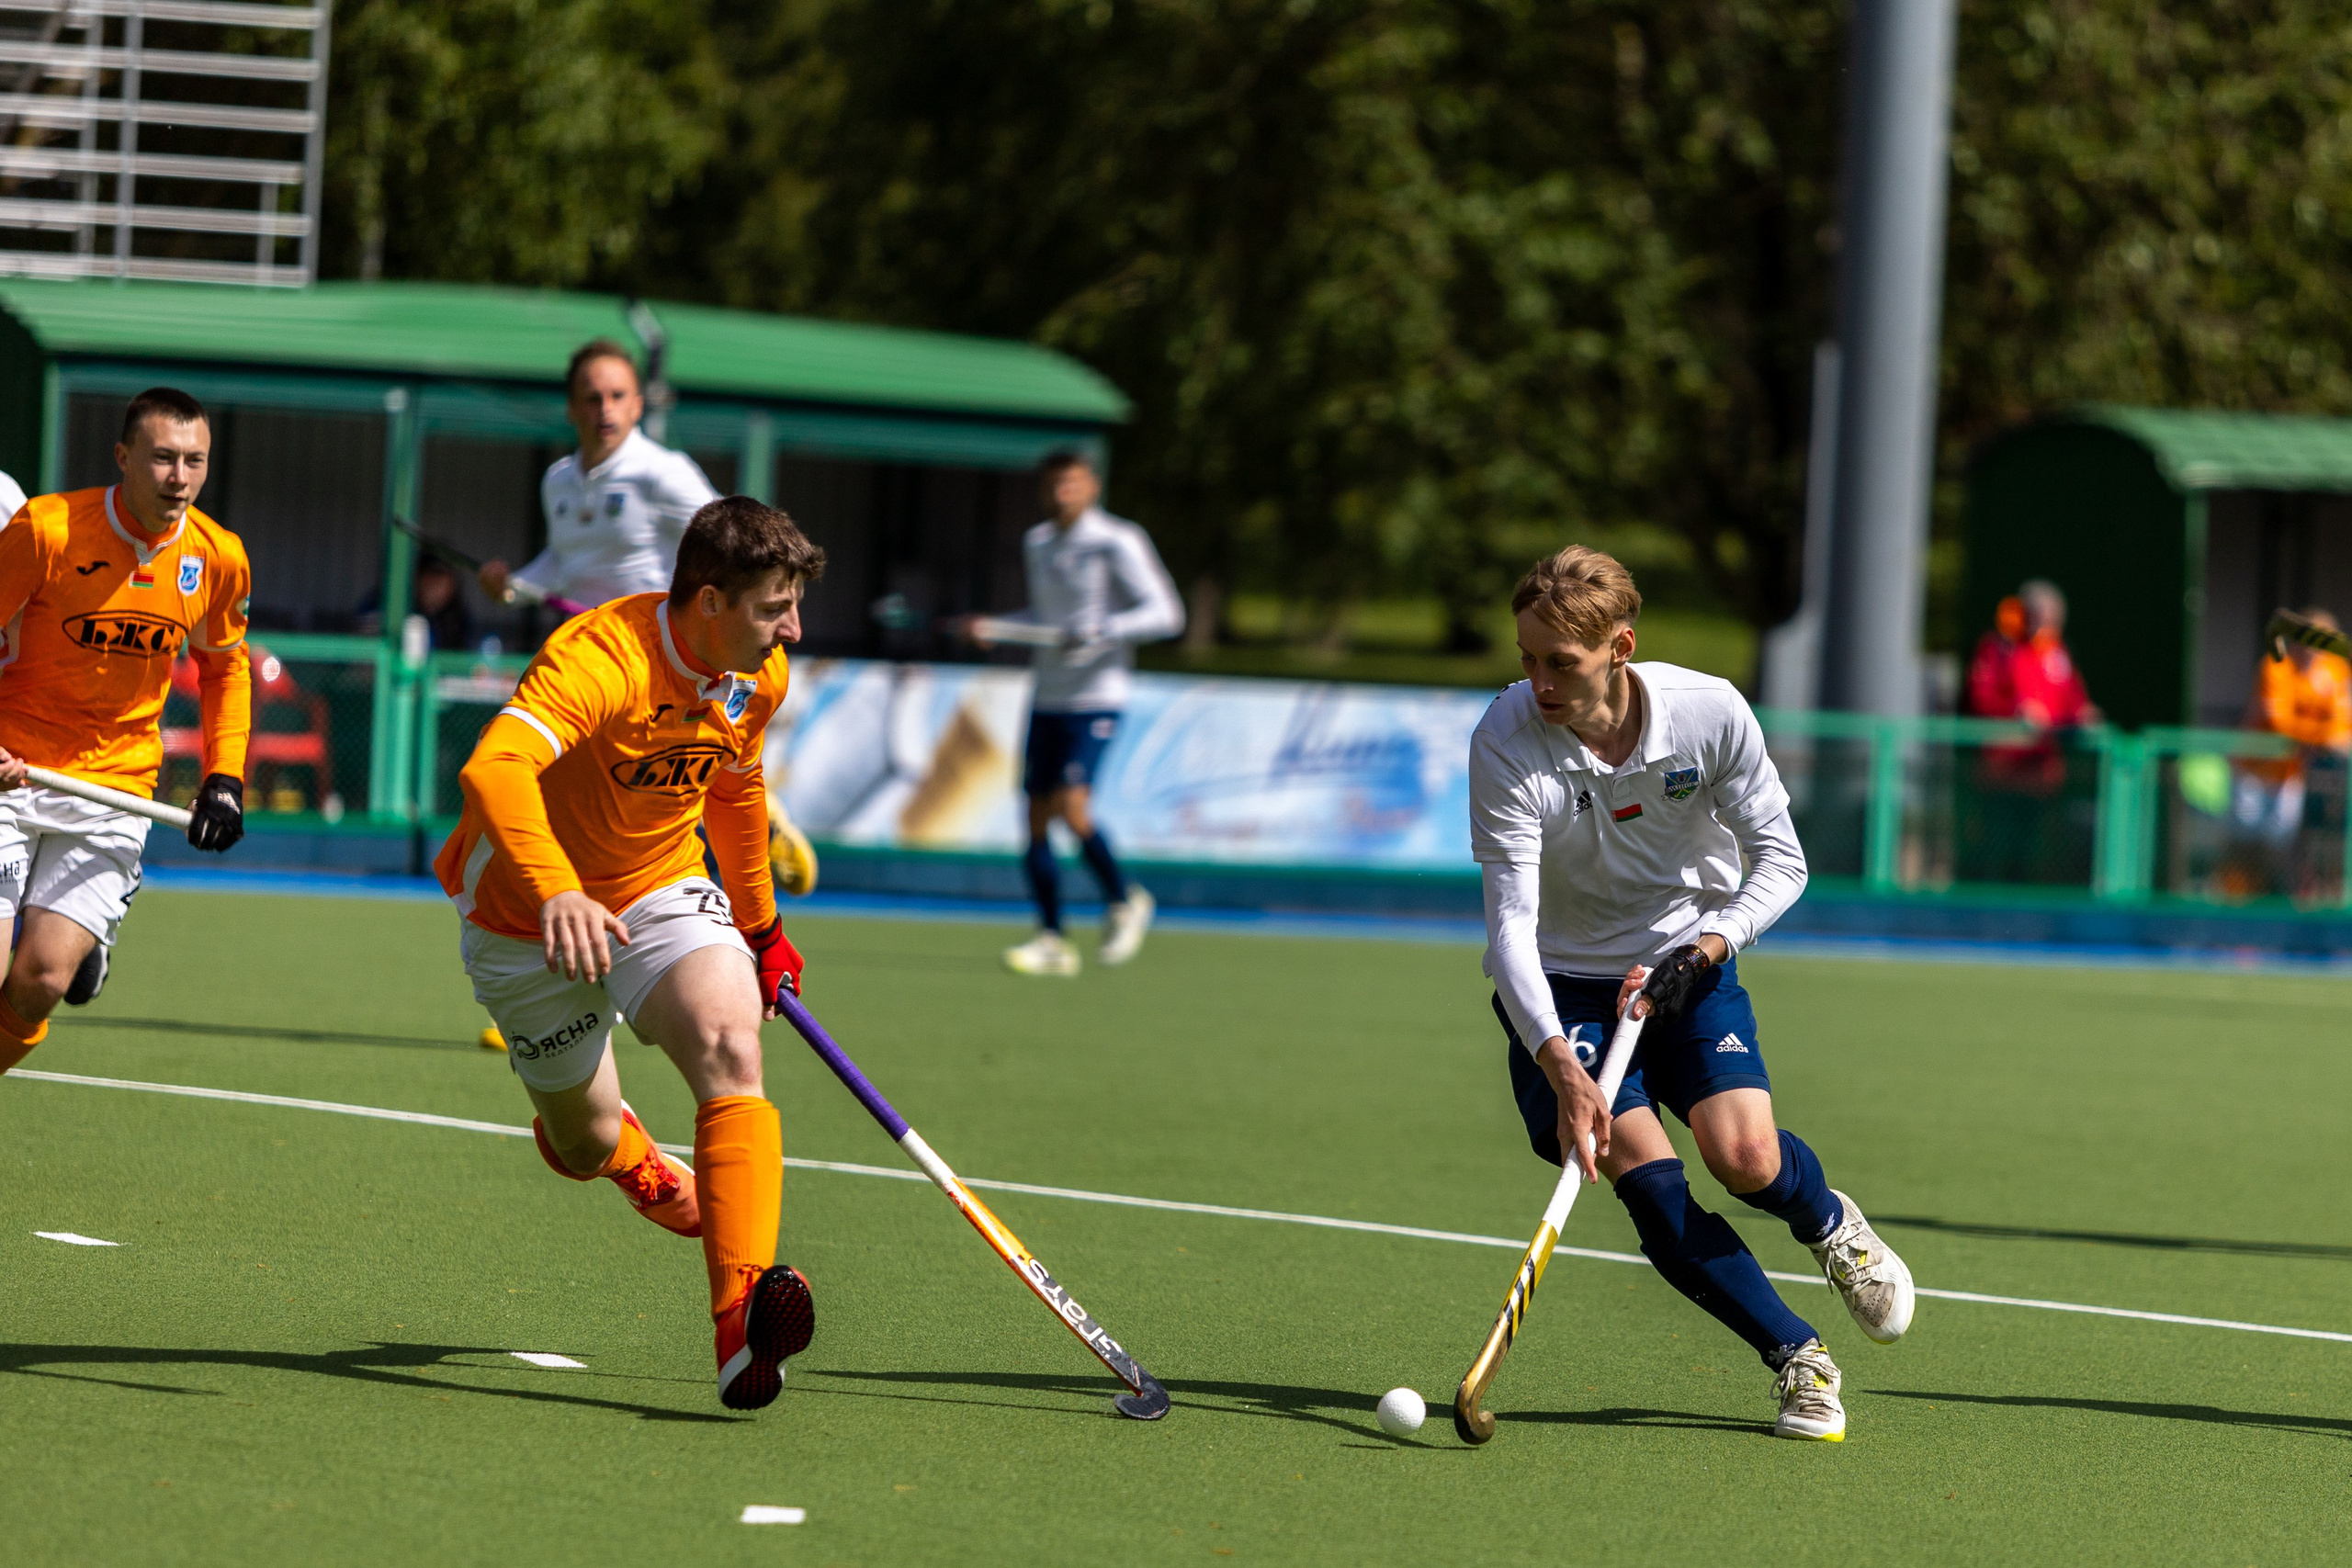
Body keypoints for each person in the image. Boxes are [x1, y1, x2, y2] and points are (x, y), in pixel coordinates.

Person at [1471, 545, 1913, 1442]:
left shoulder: (1707, 713)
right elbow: (1510, 928)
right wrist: (1559, 1062)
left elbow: (1782, 865)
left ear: (1620, 648)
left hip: (1687, 962)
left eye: (1562, 663)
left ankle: (1828, 1222)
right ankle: (1798, 1359)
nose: (1538, 683)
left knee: (1745, 1159)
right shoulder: (1507, 740)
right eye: (1526, 658)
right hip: (1560, 990)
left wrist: (1710, 943)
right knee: (1651, 1184)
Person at [435, 495, 820, 1410]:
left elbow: (734, 790)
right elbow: (495, 768)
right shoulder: (600, 657)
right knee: (582, 1137)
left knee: (733, 1049)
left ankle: (739, 1325)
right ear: (711, 599)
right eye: (775, 607)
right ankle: (628, 1160)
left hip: (658, 884)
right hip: (523, 915)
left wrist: (761, 929)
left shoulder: (753, 677)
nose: (792, 629)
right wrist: (556, 888)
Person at [477, 338, 820, 899]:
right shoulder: (558, 480)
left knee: (660, 787)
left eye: (617, 397)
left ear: (639, 406)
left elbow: (731, 542)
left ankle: (731, 838)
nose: (604, 410)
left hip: (659, 657)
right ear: (571, 408)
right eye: (591, 399)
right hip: (592, 658)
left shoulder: (662, 472)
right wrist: (513, 587)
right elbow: (563, 564)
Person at [0, 388, 251, 1070]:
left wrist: (223, 780)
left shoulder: (219, 556)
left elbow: (226, 671)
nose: (180, 478)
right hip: (11, 770)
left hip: (115, 783)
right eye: (164, 458)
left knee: (43, 977)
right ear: (123, 457)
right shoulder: (48, 529)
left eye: (195, 461)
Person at [974, 452, 1183, 976]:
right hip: (1048, 696)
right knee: (1036, 820)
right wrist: (996, 627)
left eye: (1072, 483)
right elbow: (1046, 621)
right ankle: (1051, 938)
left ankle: (1123, 898)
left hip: (1098, 696)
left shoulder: (1117, 539)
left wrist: (1102, 631)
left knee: (1073, 806)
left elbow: (1166, 612)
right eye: (1054, 484)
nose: (1063, 492)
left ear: (1092, 486)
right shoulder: (1038, 542)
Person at [1963, 580, 2099, 883]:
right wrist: (2014, 711)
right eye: (2038, 615)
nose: (2044, 623)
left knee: (2033, 848)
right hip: (2001, 769)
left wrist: (2081, 713)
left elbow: (2072, 698)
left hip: (2039, 771)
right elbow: (1981, 696)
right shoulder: (1998, 648)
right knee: (1994, 842)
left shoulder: (2056, 654)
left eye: (2050, 617)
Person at [2229, 606, 2352, 897]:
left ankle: (2275, 911)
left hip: (2290, 775)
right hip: (2253, 770)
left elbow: (2343, 723)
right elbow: (2278, 721)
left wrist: (2325, 735)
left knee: (2282, 845)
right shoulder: (2277, 664)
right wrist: (2322, 736)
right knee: (2245, 843)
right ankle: (2233, 911)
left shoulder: (2335, 671)